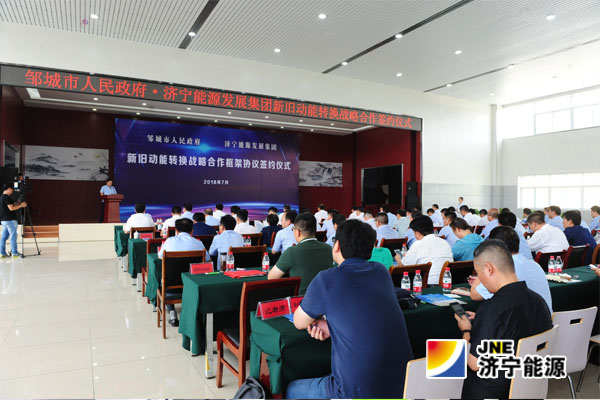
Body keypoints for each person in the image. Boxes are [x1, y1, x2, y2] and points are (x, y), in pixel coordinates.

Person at [288, 219, 413, 398]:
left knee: (291, 389)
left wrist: (326, 323)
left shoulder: (326, 279)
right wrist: (333, 325)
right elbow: (364, 312)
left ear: (337, 246)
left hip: (353, 391)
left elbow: (299, 322)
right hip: (403, 384)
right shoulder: (381, 272)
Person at [456, 240, 552, 399]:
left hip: (492, 390)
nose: (479, 280)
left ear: (488, 269)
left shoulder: (492, 308)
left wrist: (466, 330)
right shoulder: (539, 301)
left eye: (478, 273)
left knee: (438, 359)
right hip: (530, 384)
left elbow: (475, 363)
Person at [470, 227, 552, 311]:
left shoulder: (502, 268)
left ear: (494, 248)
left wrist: (482, 271)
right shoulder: (535, 265)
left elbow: (474, 295)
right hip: (543, 317)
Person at [158, 218, 208, 327]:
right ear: (192, 230)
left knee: (162, 278)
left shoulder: (169, 241)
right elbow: (208, 259)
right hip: (193, 284)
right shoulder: (198, 243)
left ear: (176, 230)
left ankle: (172, 314)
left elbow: (160, 256)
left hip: (171, 285)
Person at [268, 213, 333, 295]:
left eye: (293, 229)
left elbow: (271, 277)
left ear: (297, 232)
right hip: (326, 297)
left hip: (301, 299)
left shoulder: (291, 252)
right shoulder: (328, 248)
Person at [395, 216, 453, 285]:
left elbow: (404, 266)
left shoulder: (418, 244)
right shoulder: (445, 243)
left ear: (417, 233)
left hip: (426, 285)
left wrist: (398, 259)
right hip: (447, 283)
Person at [0, 184, 26, 258]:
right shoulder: (6, 197)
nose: (12, 191)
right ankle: (14, 253)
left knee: (4, 237)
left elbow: (10, 206)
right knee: (13, 236)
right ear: (9, 189)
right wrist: (21, 205)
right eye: (12, 189)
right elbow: (11, 208)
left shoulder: (2, 197)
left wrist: (17, 203)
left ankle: (2, 253)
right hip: (10, 220)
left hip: (4, 220)